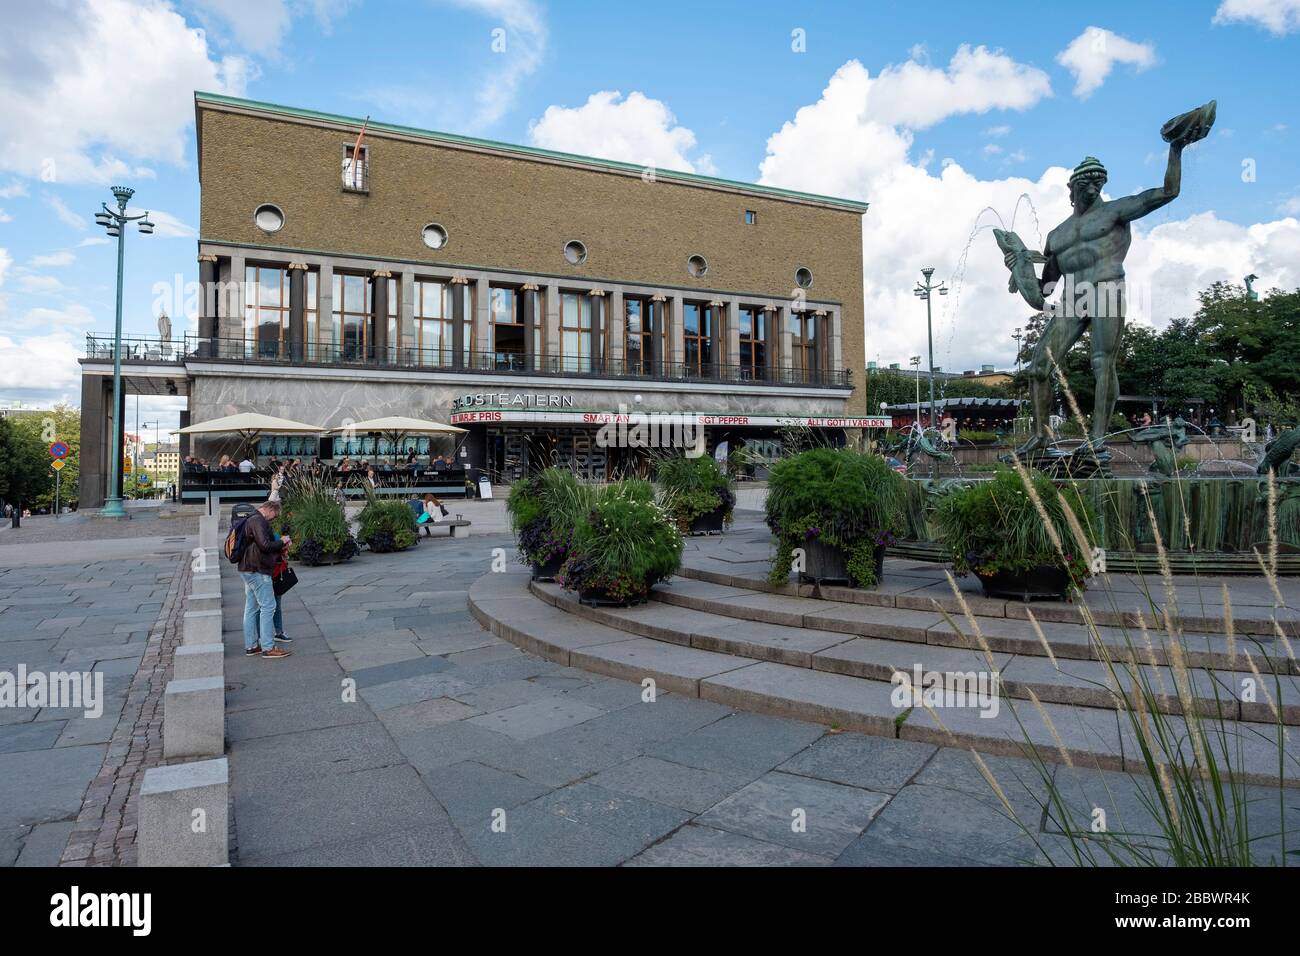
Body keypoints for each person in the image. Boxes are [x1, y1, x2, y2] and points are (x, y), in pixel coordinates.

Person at [237, 500, 292, 659]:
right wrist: (281, 542)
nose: (273, 519)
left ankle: (252, 645)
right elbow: (265, 545)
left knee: (251, 608)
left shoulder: (251, 518)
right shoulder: (258, 520)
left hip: (248, 568)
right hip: (257, 569)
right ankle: (268, 647)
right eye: (274, 516)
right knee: (268, 606)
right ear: (269, 510)